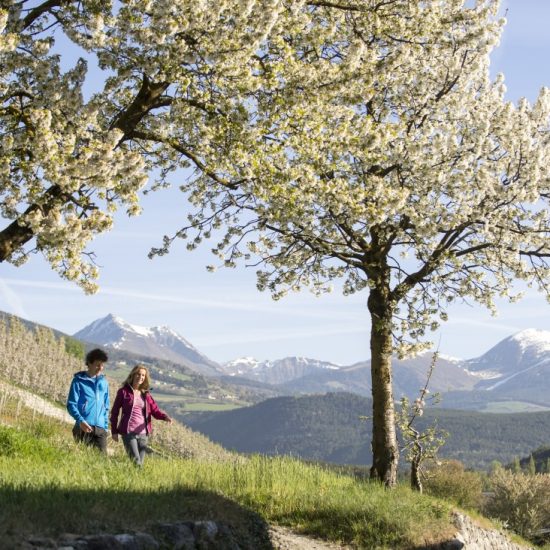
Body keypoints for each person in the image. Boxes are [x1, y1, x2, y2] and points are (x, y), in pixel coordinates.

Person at [110, 364, 172, 466]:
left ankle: (132, 481)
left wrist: (165, 417)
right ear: (133, 375)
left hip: (143, 434)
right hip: (128, 433)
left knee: (140, 464)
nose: (140, 377)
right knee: (136, 462)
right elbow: (115, 412)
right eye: (138, 374)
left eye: (143, 375)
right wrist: (114, 431)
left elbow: (155, 411)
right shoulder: (123, 392)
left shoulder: (146, 394)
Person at [66, 348, 110, 453]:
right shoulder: (78, 381)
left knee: (102, 462)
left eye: (102, 365)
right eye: (97, 365)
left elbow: (106, 406)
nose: (100, 368)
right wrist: (80, 421)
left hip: (100, 430)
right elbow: (71, 404)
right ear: (89, 363)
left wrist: (105, 426)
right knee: (83, 461)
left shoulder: (104, 382)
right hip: (83, 427)